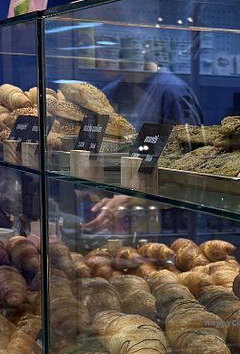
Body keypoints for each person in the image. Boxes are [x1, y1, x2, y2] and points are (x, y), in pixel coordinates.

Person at [85, 59, 201, 232]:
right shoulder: (110, 92)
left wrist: (132, 198)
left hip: (165, 220)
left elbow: (189, 167)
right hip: (112, 216)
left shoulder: (172, 92)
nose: (100, 60)